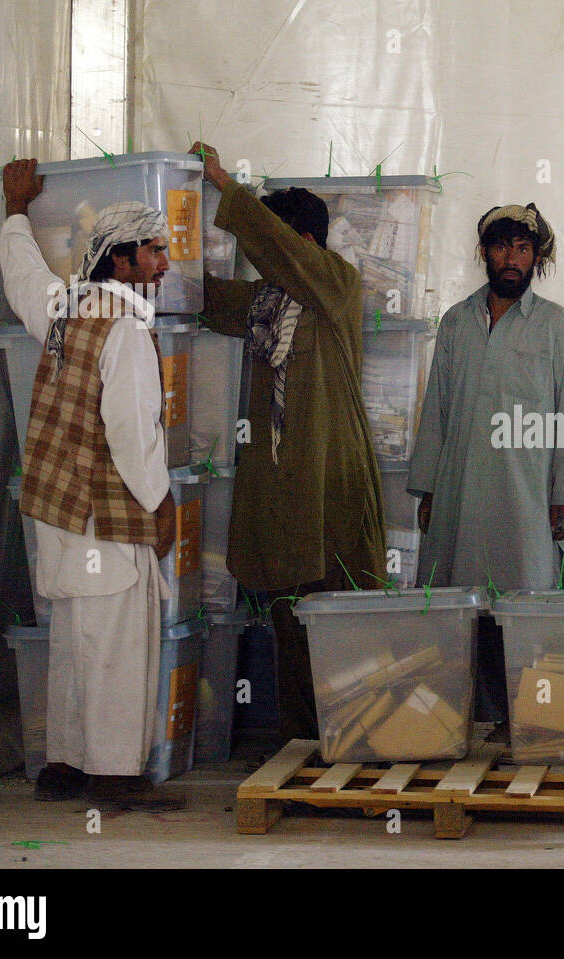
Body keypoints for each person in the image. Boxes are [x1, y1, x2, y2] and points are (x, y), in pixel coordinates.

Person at [0, 159, 183, 811]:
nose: (164, 265)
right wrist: (162, 505)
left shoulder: (64, 305)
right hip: (107, 514)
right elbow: (132, 431)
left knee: (73, 639)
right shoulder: (127, 327)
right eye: (155, 252)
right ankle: (112, 772)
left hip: (55, 511)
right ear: (124, 260)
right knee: (117, 641)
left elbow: (23, 278)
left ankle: (64, 763)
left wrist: (15, 210)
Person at [188, 142, 388, 745]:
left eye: (276, 242)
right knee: (289, 625)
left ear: (302, 243)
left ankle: (357, 743)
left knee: (340, 624)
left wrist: (225, 185)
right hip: (281, 499)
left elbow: (275, 250)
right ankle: (304, 747)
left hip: (333, 489)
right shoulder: (264, 306)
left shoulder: (337, 287)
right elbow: (199, 298)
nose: (264, 258)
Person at [408, 203, 564, 738]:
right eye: (501, 246)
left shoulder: (557, 327)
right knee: (460, 609)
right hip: (460, 492)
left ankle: (526, 724)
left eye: (522, 248)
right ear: (484, 253)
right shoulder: (456, 322)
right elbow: (436, 412)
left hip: (526, 496)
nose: (511, 258)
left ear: (537, 258)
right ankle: (461, 720)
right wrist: (428, 489)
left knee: (524, 607)